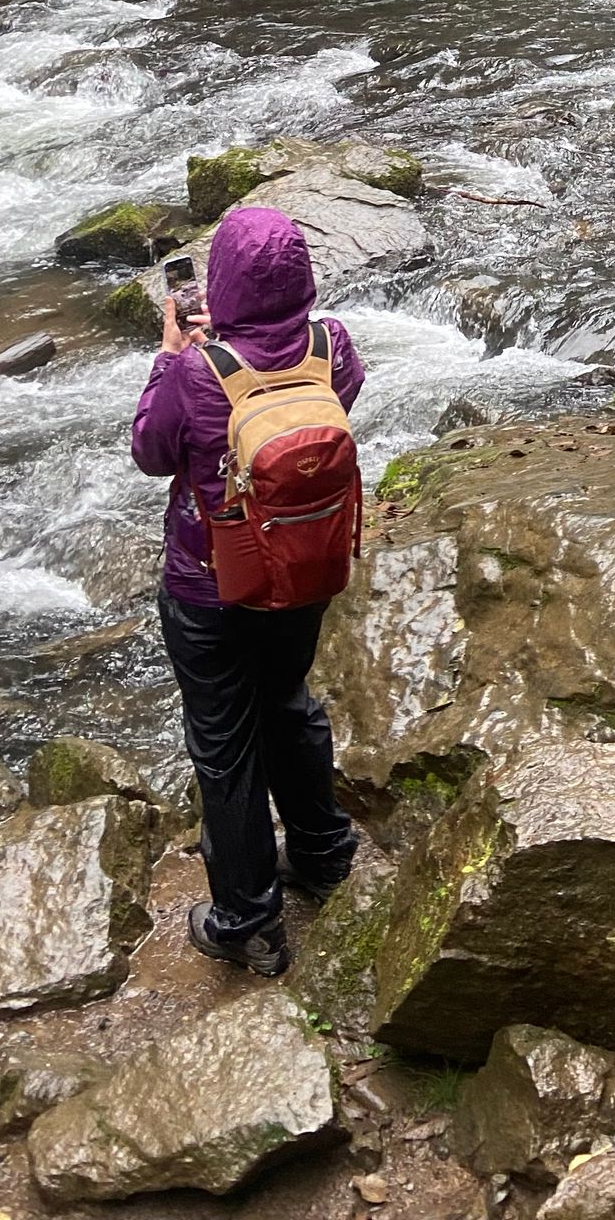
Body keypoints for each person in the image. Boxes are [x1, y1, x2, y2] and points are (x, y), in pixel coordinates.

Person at [131, 203, 364, 976]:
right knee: (288, 702)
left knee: (225, 746)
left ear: (220, 285)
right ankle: (325, 853)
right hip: (304, 570)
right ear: (304, 278)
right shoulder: (334, 347)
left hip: (210, 585)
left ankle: (248, 920)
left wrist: (172, 356)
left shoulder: (199, 372)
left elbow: (152, 452)